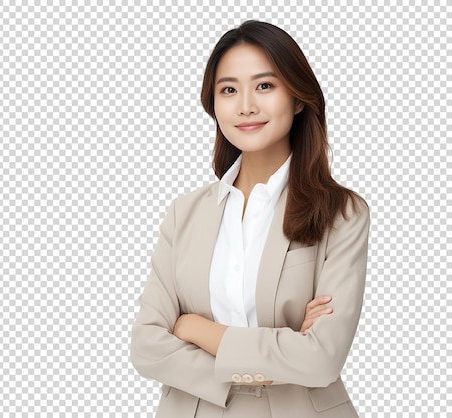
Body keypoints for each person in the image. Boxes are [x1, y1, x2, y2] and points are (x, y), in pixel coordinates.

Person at [131, 20, 370, 418]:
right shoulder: (184, 214)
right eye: (229, 89)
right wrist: (279, 350)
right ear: (214, 104)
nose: (245, 105)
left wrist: (196, 330)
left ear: (297, 98)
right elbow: (146, 347)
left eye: (265, 86)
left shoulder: (341, 213)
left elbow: (320, 360)